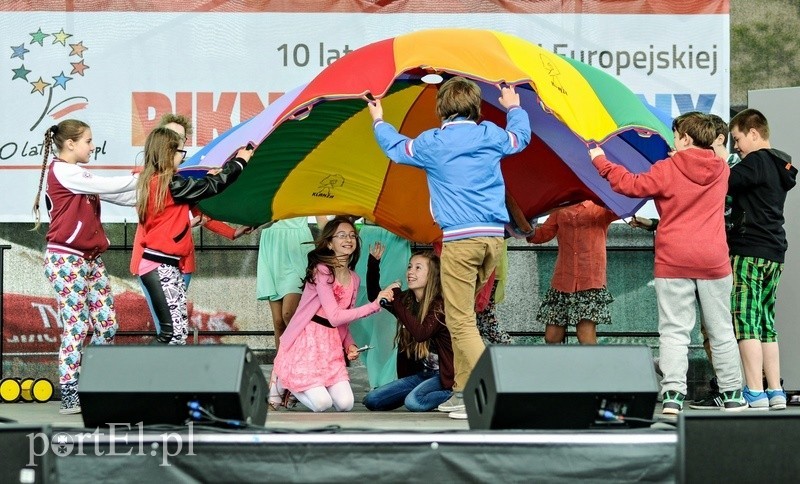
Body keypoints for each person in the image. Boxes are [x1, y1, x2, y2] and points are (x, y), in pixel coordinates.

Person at [368, 76, 531, 419]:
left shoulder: (433, 142)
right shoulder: (490, 134)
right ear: (476, 107)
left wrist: (379, 119)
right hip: (492, 241)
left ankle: (495, 388)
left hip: (460, 241)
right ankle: (462, 390)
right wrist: (514, 107)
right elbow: (520, 138)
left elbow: (396, 148)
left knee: (460, 322)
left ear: (441, 108)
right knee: (462, 316)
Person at [590, 112, 746, 415]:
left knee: (674, 331)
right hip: (714, 259)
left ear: (685, 138)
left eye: (676, 136)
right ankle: (732, 394)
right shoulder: (722, 169)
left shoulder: (667, 168)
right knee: (722, 329)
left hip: (674, 258)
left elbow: (630, 184)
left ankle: (673, 395)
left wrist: (600, 160)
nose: (673, 142)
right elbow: (703, 165)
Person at [32, 119, 139, 414]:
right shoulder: (63, 171)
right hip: (66, 258)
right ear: (70, 144)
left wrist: (159, 185)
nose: (92, 147)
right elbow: (109, 185)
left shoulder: (77, 176)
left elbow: (121, 195)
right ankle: (70, 391)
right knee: (77, 325)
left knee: (107, 324)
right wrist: (146, 176)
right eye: (88, 141)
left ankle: (95, 383)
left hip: (90, 258)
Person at [131, 114, 251, 336]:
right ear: (163, 146)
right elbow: (210, 187)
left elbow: (198, 207)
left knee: (174, 328)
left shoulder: (172, 179)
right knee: (170, 330)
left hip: (176, 260)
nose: (179, 146)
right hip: (159, 259)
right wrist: (239, 162)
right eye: (173, 139)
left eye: (181, 139)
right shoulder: (160, 180)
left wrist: (232, 231)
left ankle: (169, 356)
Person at [269, 217, 397, 412]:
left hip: (331, 346)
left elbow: (343, 321)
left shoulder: (354, 278)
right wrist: (374, 305)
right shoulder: (322, 270)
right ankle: (286, 379)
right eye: (342, 235)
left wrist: (349, 345)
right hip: (307, 341)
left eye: (352, 235)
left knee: (346, 404)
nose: (348, 239)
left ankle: (295, 383)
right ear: (329, 243)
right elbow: (334, 317)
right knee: (323, 404)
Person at [726, 108, 796, 410]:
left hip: (748, 251)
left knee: (745, 322)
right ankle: (775, 391)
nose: (736, 147)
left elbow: (723, 182)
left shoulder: (755, 162)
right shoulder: (781, 164)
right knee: (766, 322)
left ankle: (754, 391)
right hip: (774, 252)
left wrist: (716, 159)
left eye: (737, 139)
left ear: (754, 133)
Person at [362, 247, 454, 411]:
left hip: (443, 375)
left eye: (418, 268)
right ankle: (422, 393)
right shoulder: (407, 301)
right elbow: (374, 295)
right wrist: (373, 264)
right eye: (410, 267)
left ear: (432, 275)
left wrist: (395, 294)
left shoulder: (439, 305)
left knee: (414, 402)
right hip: (419, 375)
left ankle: (458, 395)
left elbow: (421, 333)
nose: (411, 271)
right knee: (372, 400)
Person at [526, 200, 618, 345]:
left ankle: (592, 361)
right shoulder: (560, 208)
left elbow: (621, 209)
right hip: (562, 280)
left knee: (585, 337)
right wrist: (524, 223)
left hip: (590, 282)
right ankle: (560, 361)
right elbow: (542, 234)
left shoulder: (600, 206)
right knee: (552, 337)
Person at [351, 221, 411, 388]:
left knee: (388, 319)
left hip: (397, 236)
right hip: (368, 238)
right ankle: (379, 377)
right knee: (358, 319)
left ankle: (383, 381)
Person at [257, 216, 328, 351]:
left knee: (288, 314)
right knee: (278, 322)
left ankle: (304, 356)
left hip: (297, 244)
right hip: (272, 244)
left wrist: (337, 236)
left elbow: (322, 220)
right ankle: (281, 362)